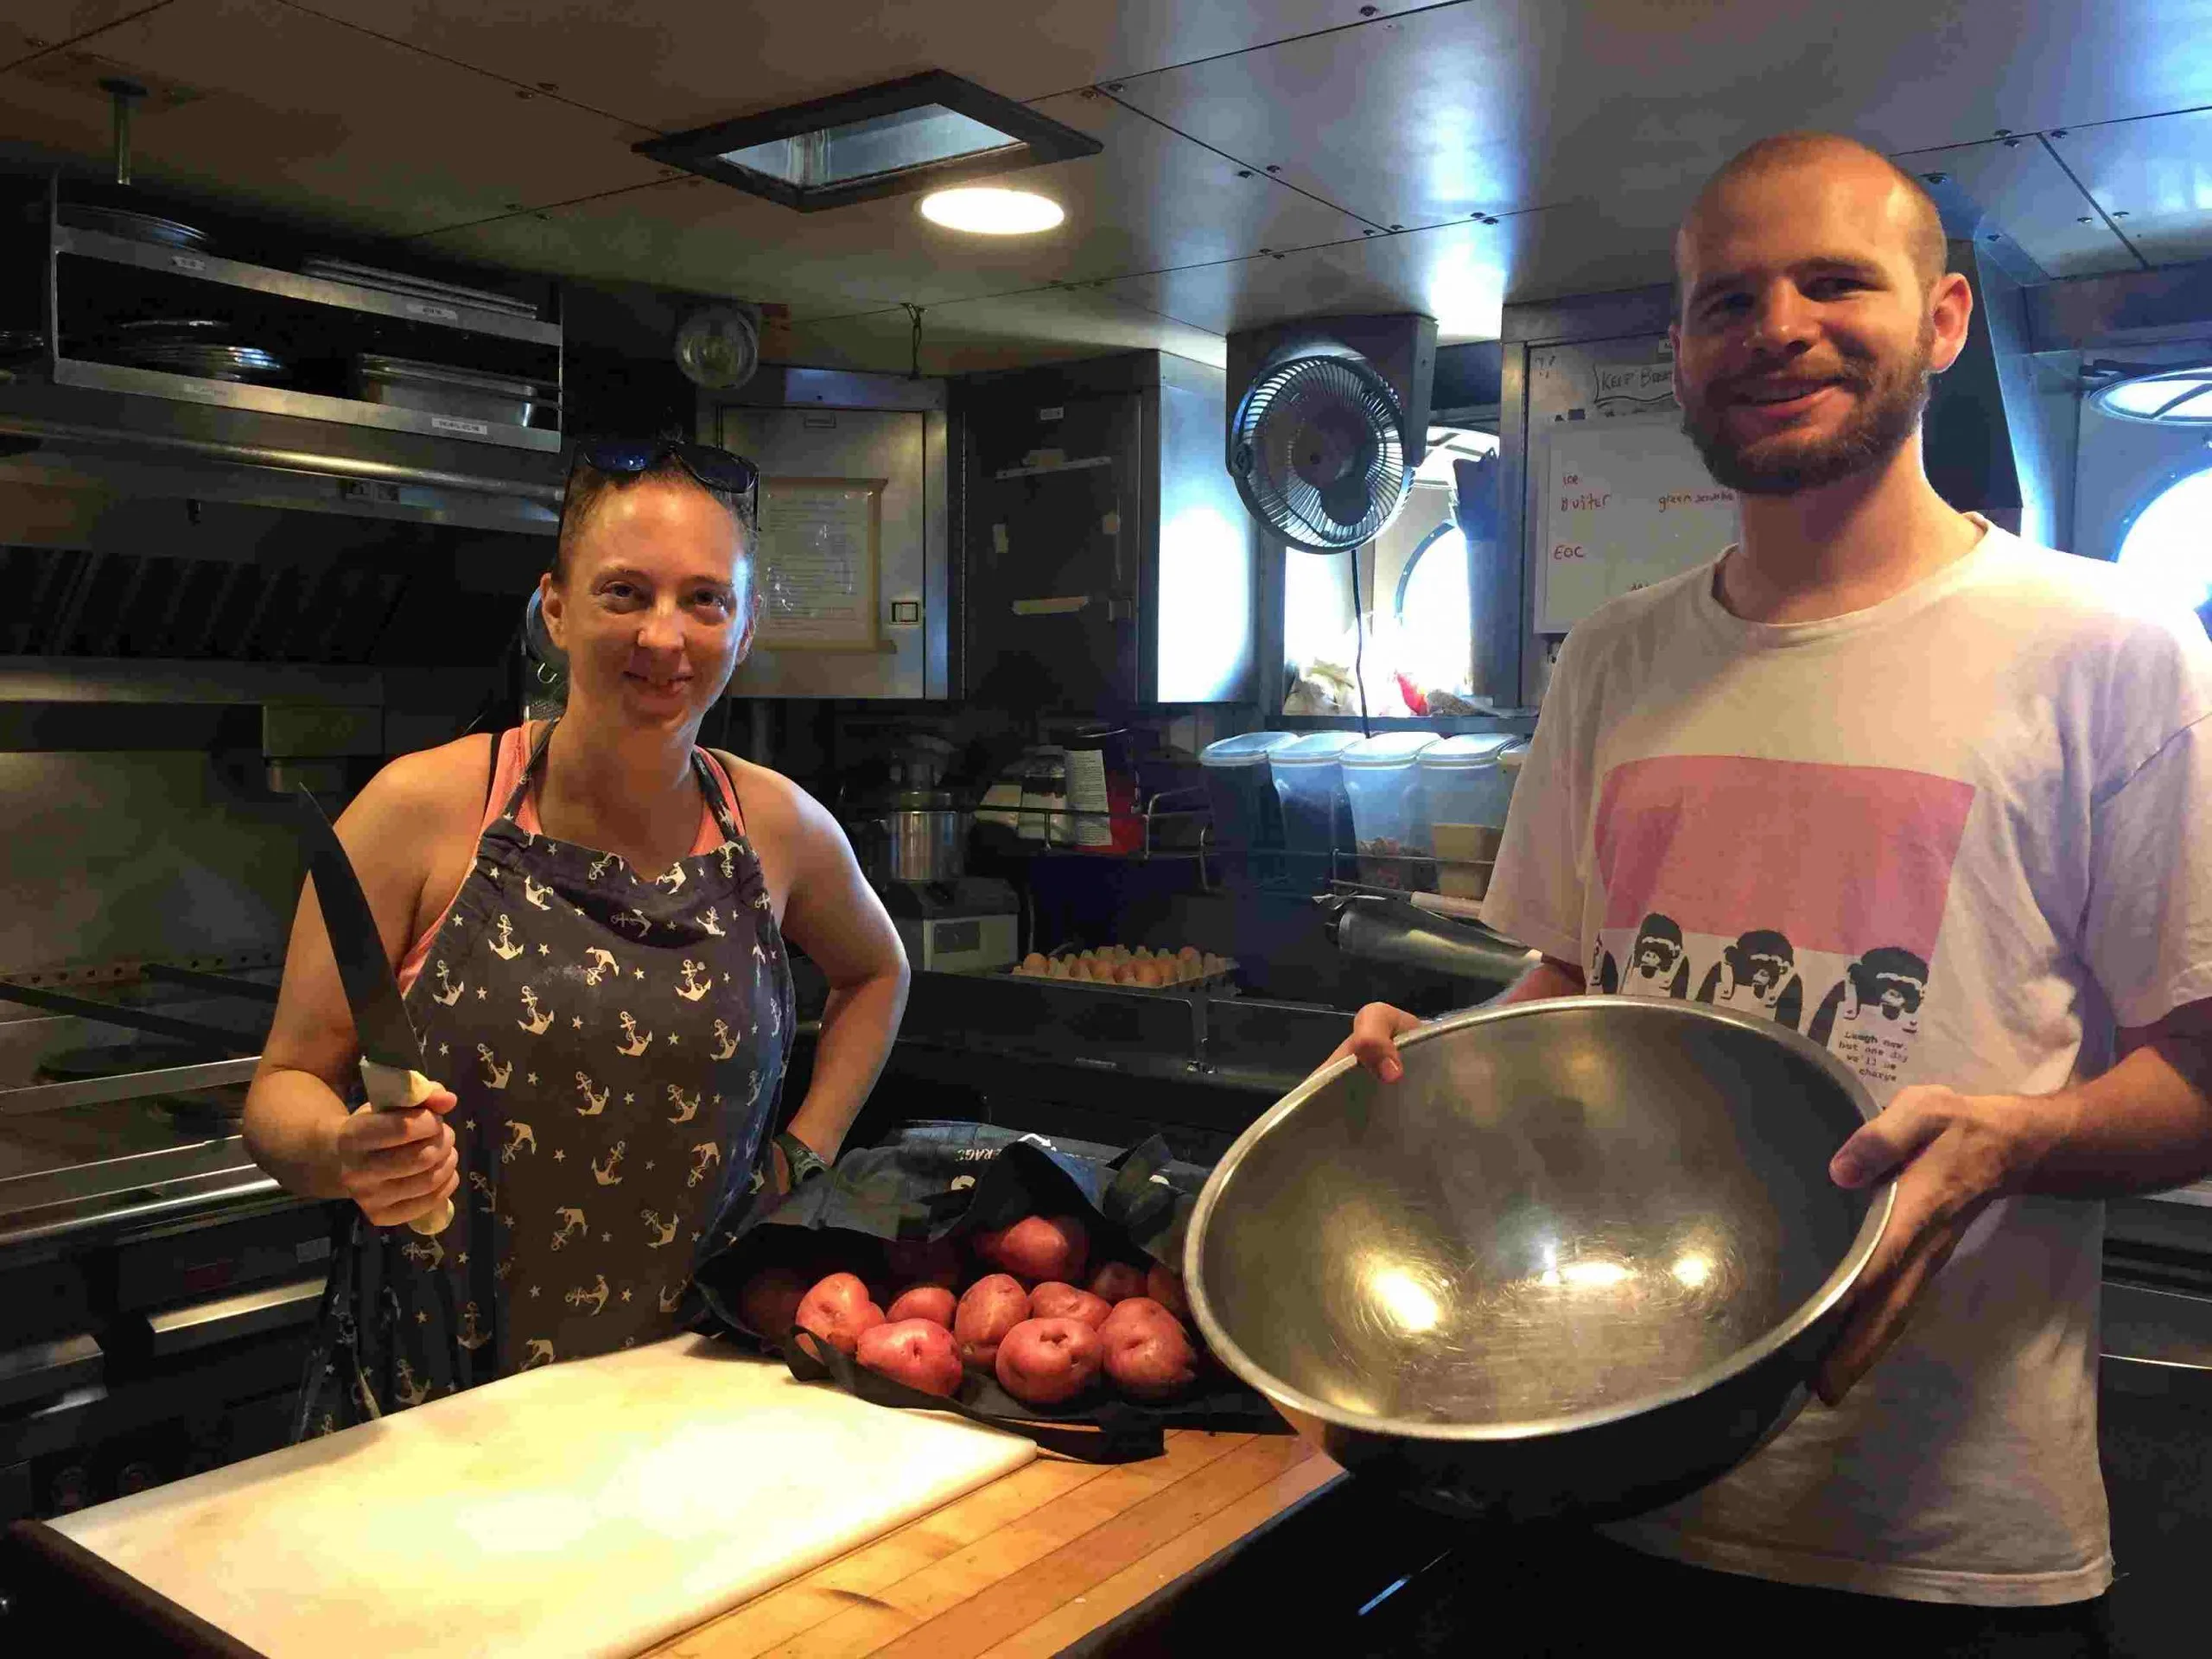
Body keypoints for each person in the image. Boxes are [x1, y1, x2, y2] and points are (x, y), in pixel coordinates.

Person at [1326, 132, 2212, 1637]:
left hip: (1942, 1545)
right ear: (1679, 355)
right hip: (1600, 1487)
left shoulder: (2113, 650)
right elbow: (1575, 988)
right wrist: (1441, 1071)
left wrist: (2015, 1141)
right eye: (1727, 302)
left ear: (1941, 321)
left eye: (1832, 282)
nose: (1777, 328)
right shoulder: (1615, 655)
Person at [245, 438, 909, 1433]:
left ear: (746, 623)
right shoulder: (423, 809)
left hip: (697, 1384)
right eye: (623, 593)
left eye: (704, 600)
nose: (662, 637)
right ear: (554, 607)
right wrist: (343, 1153)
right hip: (437, 1400)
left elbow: (878, 972)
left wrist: (802, 1157)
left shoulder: (777, 826)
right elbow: (280, 1090)